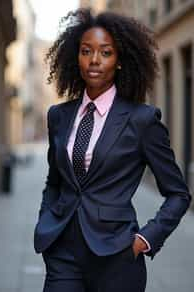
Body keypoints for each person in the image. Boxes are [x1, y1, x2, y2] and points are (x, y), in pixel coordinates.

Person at [34, 8, 191, 292]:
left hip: (116, 257)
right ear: (76, 57)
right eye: (86, 51)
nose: (95, 60)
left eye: (105, 52)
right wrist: (47, 220)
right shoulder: (59, 116)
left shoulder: (141, 120)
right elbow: (54, 180)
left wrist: (144, 240)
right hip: (62, 253)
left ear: (119, 61)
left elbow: (178, 194)